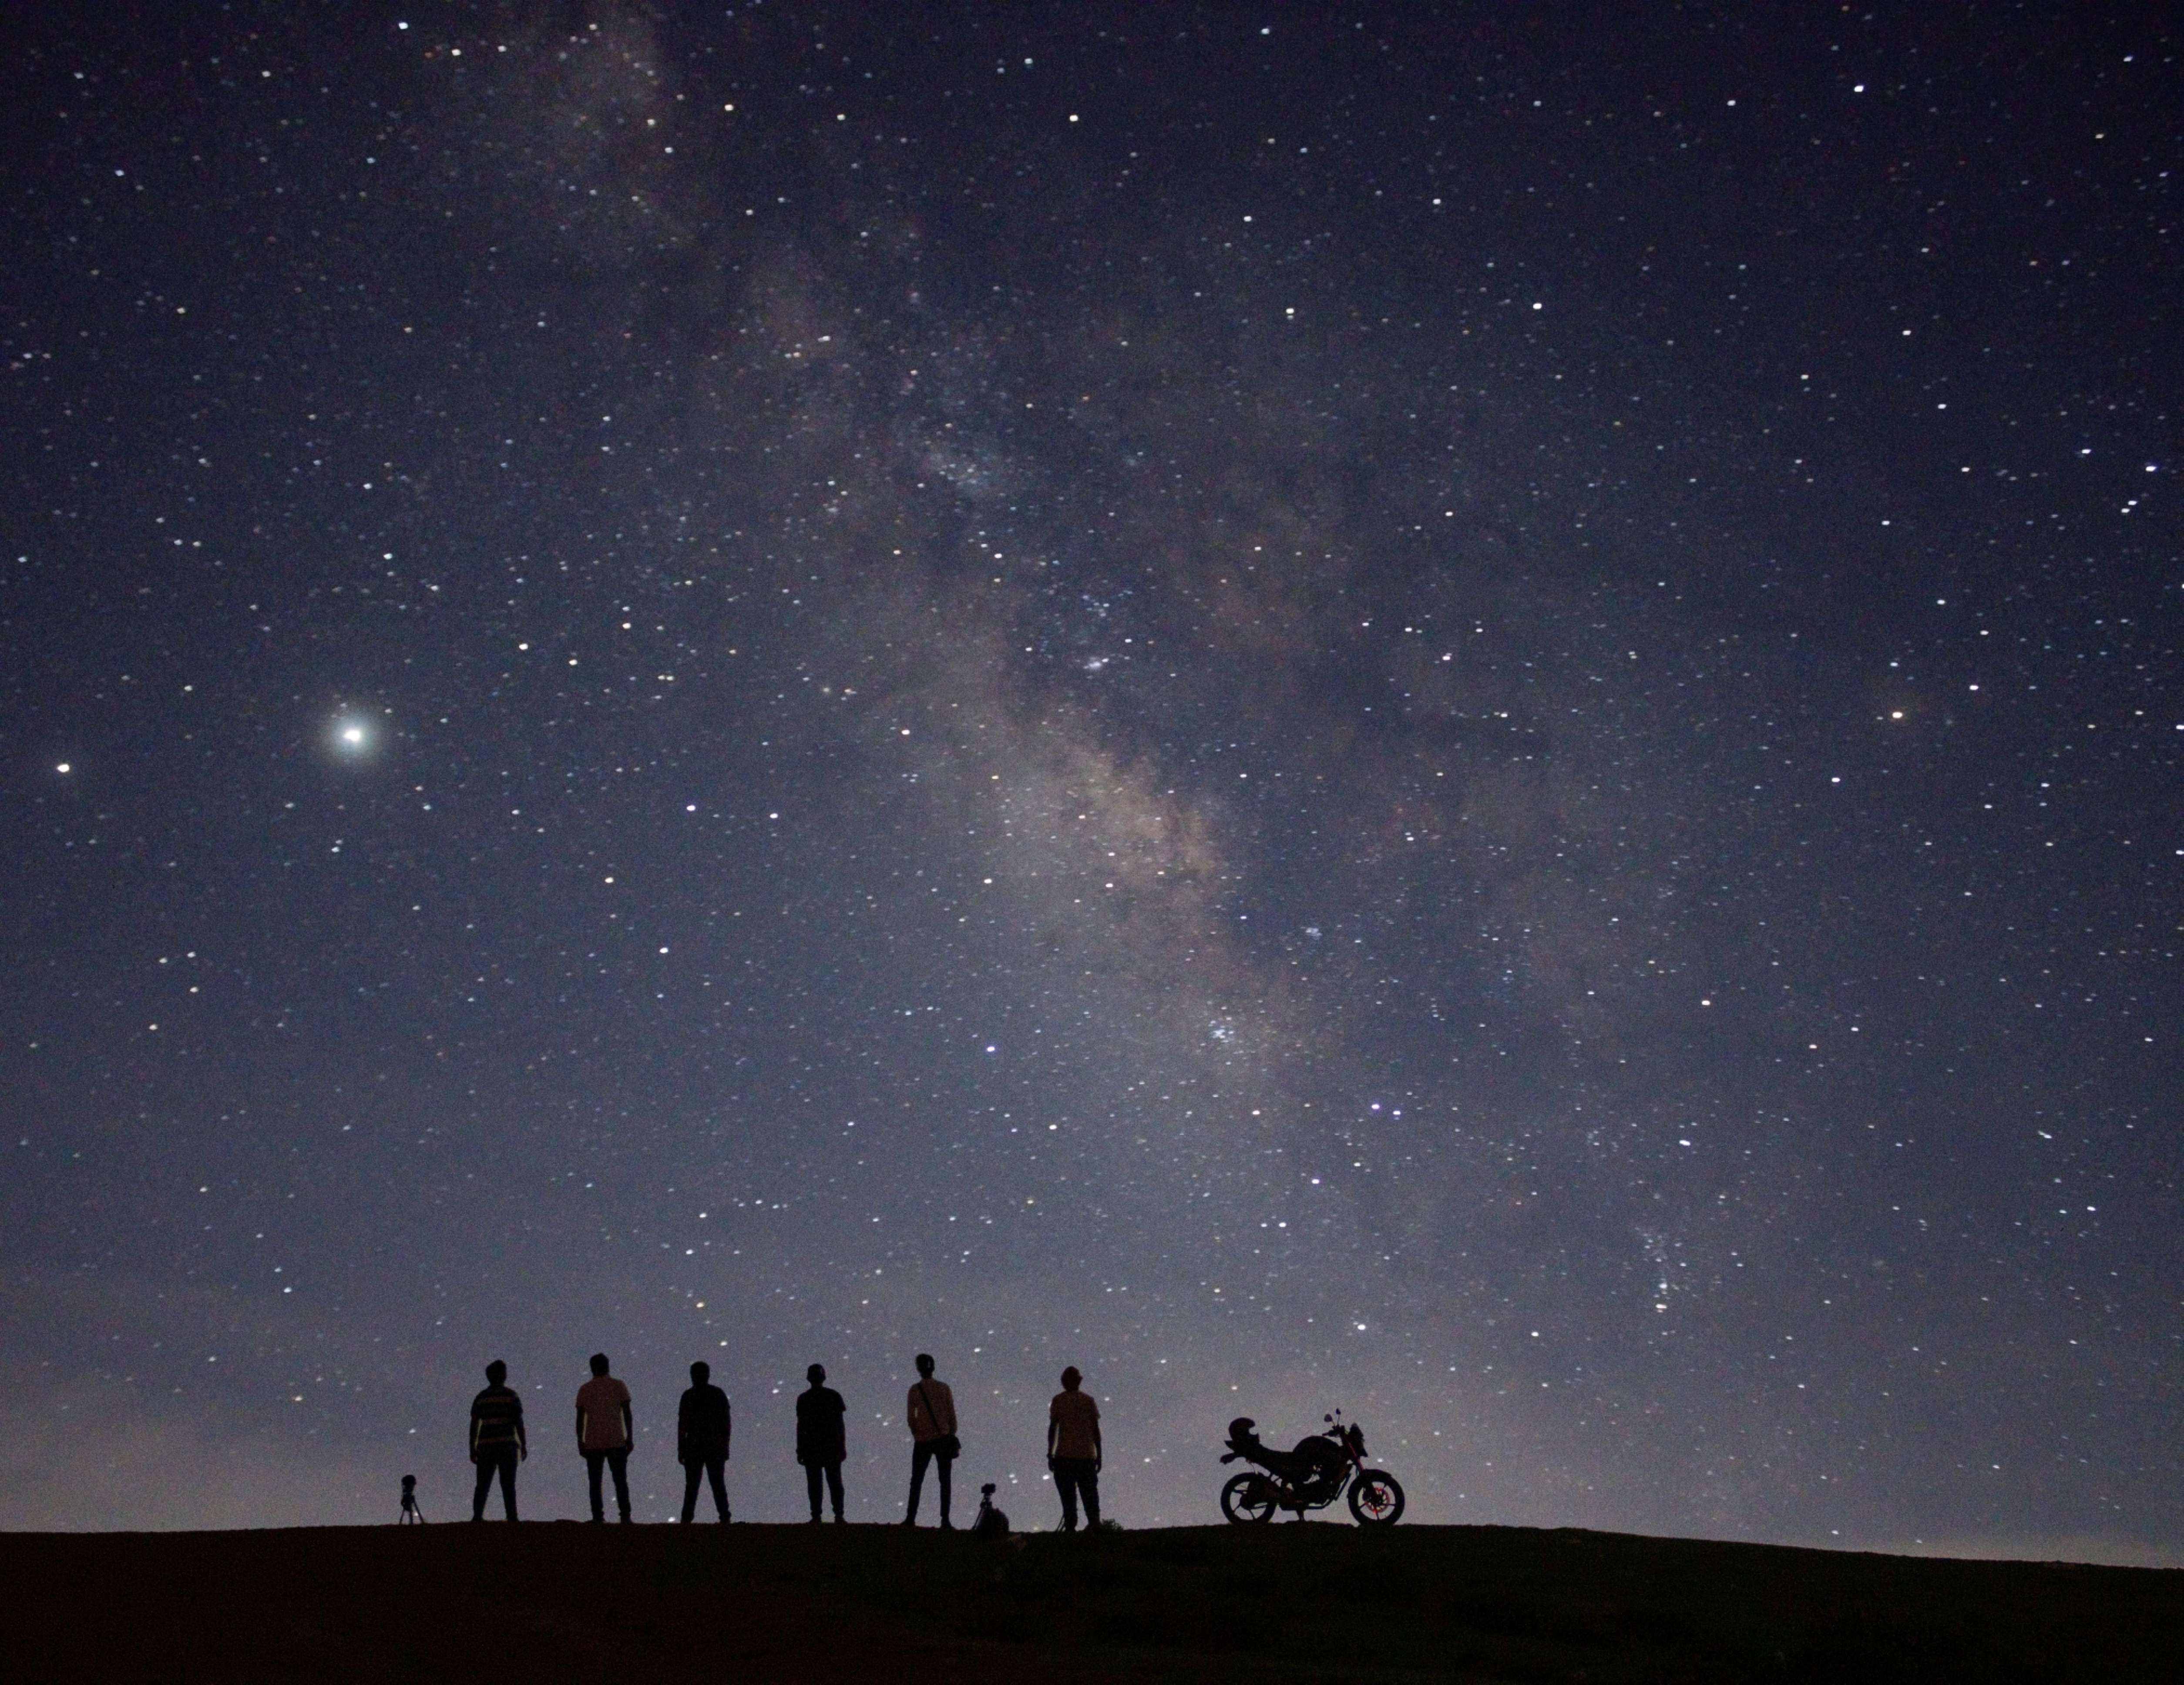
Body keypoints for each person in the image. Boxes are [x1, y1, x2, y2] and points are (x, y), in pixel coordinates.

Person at [575, 1352, 634, 1523]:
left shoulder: (585, 1389)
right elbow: (628, 1414)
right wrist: (629, 1436)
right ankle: (625, 1516)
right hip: (616, 1439)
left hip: (593, 1441)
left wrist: (580, 1440)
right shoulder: (619, 1386)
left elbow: (580, 1418)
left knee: (595, 1482)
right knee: (620, 1481)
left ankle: (598, 1517)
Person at [902, 1351, 958, 1528]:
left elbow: (912, 1418)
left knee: (917, 1480)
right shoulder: (944, 1388)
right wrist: (950, 1434)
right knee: (945, 1481)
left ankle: (911, 1518)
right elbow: (952, 1416)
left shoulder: (915, 1390)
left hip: (923, 1441)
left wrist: (918, 1434)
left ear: (919, 1369)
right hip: (943, 1439)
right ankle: (945, 1520)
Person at [468, 1359, 526, 1522]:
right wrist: (523, 1444)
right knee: (508, 1484)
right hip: (507, 1446)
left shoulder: (481, 1397)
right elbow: (518, 1421)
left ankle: (477, 1516)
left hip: (486, 1447)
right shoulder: (511, 1396)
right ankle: (512, 1517)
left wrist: (472, 1448)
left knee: (482, 1485)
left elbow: (474, 1425)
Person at [1046, 1365, 1102, 1532]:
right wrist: (1099, 1455)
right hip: (1086, 1455)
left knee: (1067, 1494)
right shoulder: (1088, 1401)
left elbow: (1053, 1429)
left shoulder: (1058, 1401)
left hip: (1065, 1456)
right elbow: (1095, 1430)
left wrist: (1050, 1453)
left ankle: (1071, 1525)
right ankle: (1094, 1524)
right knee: (1090, 1493)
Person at [677, 1360, 732, 1523]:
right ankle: (724, 1517)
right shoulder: (718, 1394)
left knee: (692, 1486)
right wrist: (725, 1445)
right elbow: (726, 1423)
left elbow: (683, 1424)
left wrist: (681, 1448)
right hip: (714, 1445)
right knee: (717, 1484)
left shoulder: (688, 1396)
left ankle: (687, 1519)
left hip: (694, 1446)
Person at [795, 1363, 848, 1524]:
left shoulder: (804, 1399)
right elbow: (840, 1424)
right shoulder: (833, 1396)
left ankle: (817, 1516)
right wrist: (842, 1446)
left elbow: (801, 1426)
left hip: (814, 1447)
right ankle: (837, 1515)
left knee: (816, 1484)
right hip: (829, 1446)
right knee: (833, 1483)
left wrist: (800, 1449)